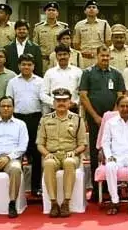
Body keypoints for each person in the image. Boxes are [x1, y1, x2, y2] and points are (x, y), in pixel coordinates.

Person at [79, 46, 125, 197]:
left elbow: (120, 96)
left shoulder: (117, 74)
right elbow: (83, 96)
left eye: (107, 56)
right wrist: (96, 117)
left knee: (114, 149)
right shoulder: (87, 73)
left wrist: (110, 117)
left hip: (113, 121)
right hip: (95, 120)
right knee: (95, 151)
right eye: (102, 56)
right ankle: (96, 185)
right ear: (96, 56)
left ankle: (114, 185)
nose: (105, 58)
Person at [38, 88, 88, 218]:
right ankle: (54, 203)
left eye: (64, 100)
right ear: (53, 103)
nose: (61, 103)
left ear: (69, 102)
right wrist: (46, 153)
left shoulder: (77, 119)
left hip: (70, 154)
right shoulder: (45, 119)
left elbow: (83, 144)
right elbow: (40, 144)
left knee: (69, 162)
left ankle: (66, 202)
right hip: (52, 154)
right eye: (58, 100)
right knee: (48, 163)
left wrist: (74, 152)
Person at [6, 53, 46, 196]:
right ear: (19, 66)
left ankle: (35, 187)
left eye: (29, 64)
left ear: (33, 66)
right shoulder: (12, 82)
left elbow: (43, 103)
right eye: (23, 64)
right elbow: (9, 102)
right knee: (18, 152)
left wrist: (43, 120)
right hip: (18, 119)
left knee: (36, 153)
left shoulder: (40, 81)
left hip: (36, 119)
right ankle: (19, 187)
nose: (26, 67)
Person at [41, 45, 82, 112]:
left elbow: (82, 92)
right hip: (54, 110)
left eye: (65, 54)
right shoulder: (49, 72)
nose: (62, 57)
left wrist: (75, 103)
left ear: (69, 55)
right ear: (56, 56)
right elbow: (43, 94)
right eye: (59, 55)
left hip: (72, 109)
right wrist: (55, 102)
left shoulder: (78, 71)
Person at [32, 1, 68, 72]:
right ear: (45, 12)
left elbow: (66, 45)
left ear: (57, 13)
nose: (51, 11)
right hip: (44, 60)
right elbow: (35, 45)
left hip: (58, 59)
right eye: (49, 10)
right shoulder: (38, 27)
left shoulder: (63, 27)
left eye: (53, 10)